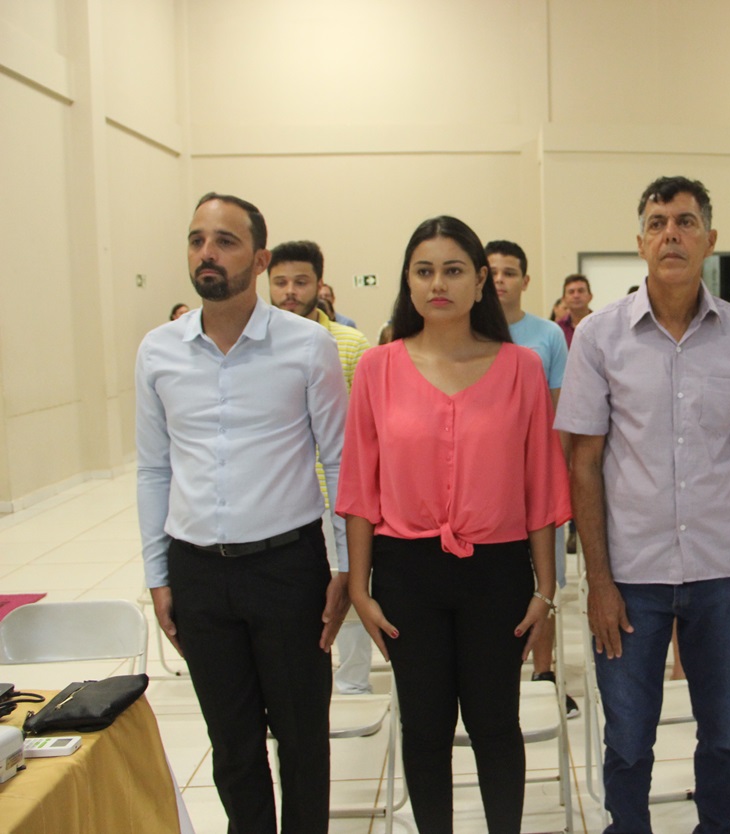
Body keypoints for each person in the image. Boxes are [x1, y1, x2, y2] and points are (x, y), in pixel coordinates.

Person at [555, 175, 730, 833]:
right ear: (640, 243)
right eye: (657, 224)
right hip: (631, 576)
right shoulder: (600, 338)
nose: (671, 235)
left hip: (720, 572)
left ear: (710, 240)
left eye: (686, 222)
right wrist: (598, 582)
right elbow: (583, 463)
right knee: (629, 739)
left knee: (724, 734)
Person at [338, 216, 569, 833]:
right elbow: (360, 486)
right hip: (406, 571)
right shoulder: (378, 368)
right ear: (408, 282)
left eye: (453, 270)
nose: (438, 283)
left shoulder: (521, 367)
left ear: (480, 282)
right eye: (424, 271)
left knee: (496, 723)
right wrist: (359, 586)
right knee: (425, 726)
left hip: (497, 571)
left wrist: (546, 587)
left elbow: (541, 484)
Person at [136, 193, 351, 833]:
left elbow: (339, 460)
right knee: (231, 745)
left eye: (225, 241)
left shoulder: (306, 345)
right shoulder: (158, 351)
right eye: (197, 239)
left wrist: (344, 566)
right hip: (198, 572)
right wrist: (158, 574)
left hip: (287, 569)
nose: (207, 253)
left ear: (259, 259)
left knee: (302, 739)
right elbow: (153, 469)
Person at [268, 239, 375, 696]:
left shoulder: (350, 344)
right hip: (285, 500)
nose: (290, 291)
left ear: (319, 284)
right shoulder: (259, 347)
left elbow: (367, 425)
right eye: (280, 282)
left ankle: (353, 686)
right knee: (294, 605)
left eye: (300, 281)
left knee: (350, 590)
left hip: (341, 494)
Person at [485, 237, 579, 717]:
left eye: (509, 272)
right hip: (488, 487)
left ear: (525, 280)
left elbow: (561, 414)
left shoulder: (547, 336)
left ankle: (544, 671)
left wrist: (552, 481)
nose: (500, 280)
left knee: (546, 583)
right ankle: (492, 677)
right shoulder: (468, 332)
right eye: (492, 272)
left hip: (537, 484)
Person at [556, 274, 593, 346]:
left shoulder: (600, 325)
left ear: (590, 296)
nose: (576, 296)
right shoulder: (558, 329)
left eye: (581, 291)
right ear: (564, 299)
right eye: (571, 292)